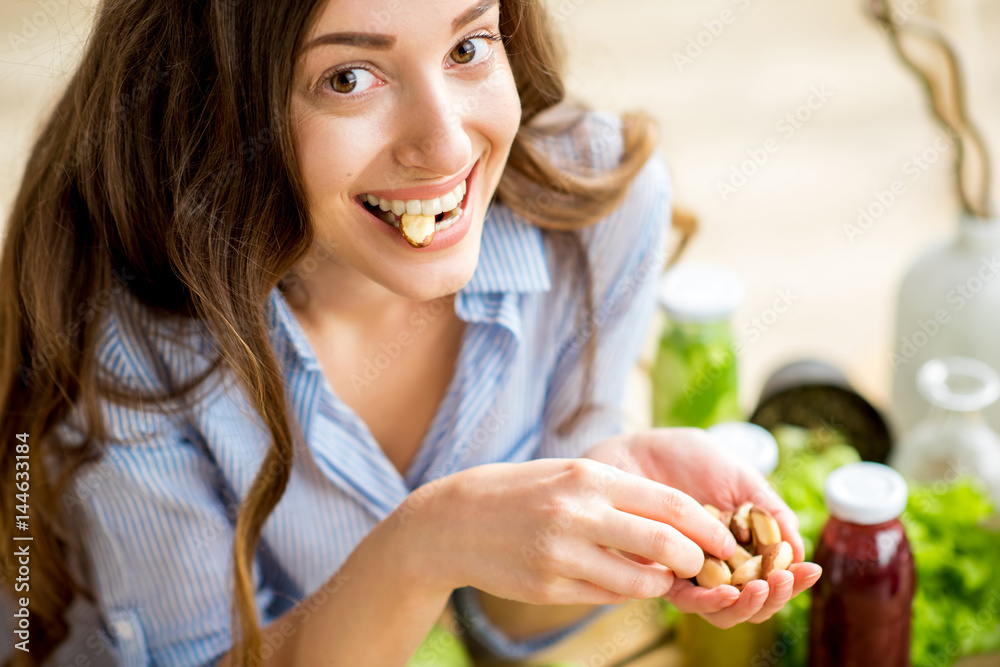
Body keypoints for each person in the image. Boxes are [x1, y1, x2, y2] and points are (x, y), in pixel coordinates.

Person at [0, 0, 822, 665]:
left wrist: (591, 493)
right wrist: (428, 542)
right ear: (216, 108)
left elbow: (510, 630)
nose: (446, 144)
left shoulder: (599, 212)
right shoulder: (127, 341)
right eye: (349, 76)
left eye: (468, 47)